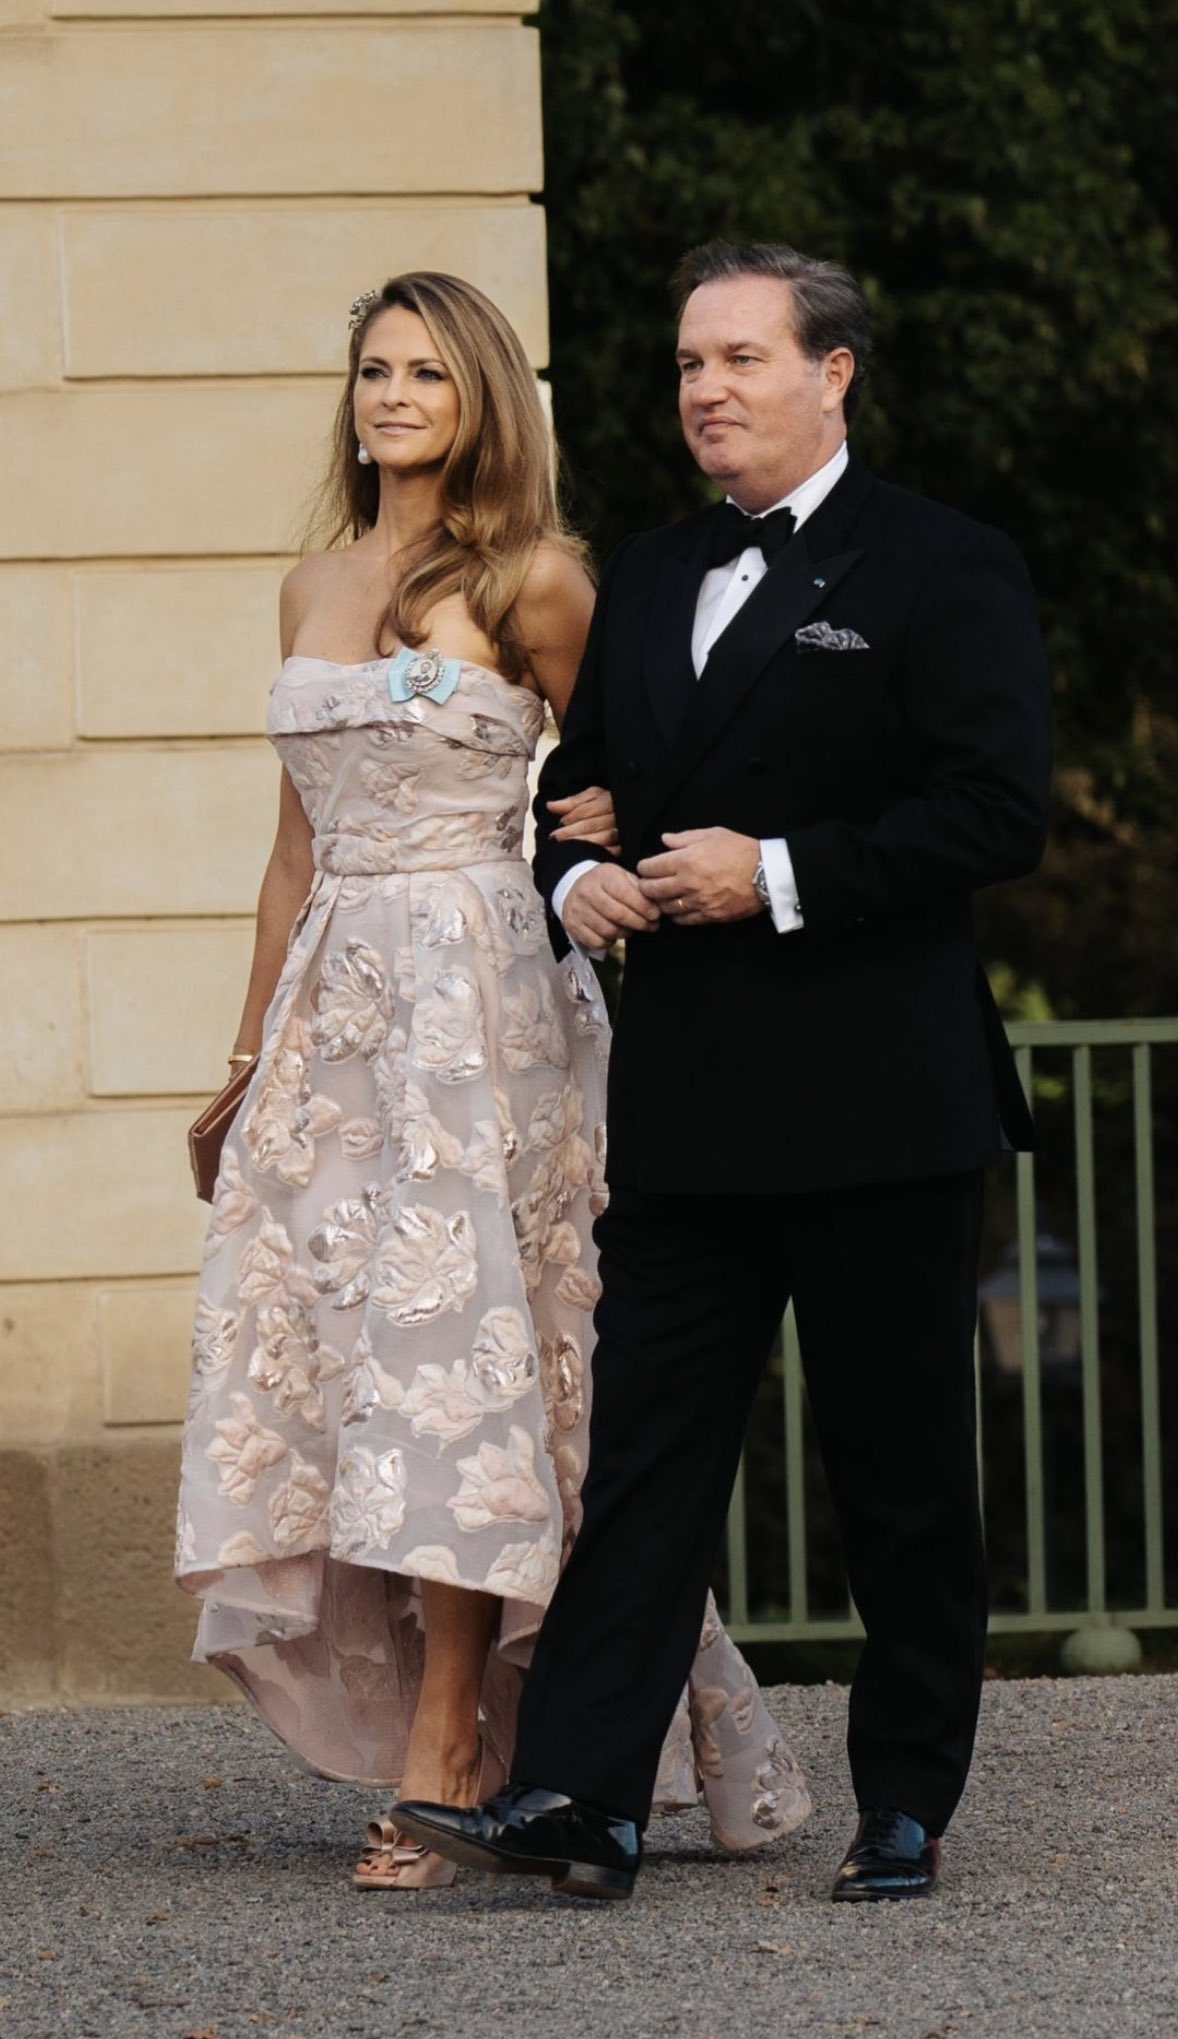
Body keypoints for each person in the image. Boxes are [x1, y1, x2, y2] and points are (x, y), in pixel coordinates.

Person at [391, 240, 1053, 1903]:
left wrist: (773, 872)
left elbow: (996, 812)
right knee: (642, 1466)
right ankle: (581, 1800)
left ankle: (904, 1804)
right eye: (690, 362)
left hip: (881, 1101)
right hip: (687, 1102)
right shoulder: (652, 570)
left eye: (742, 358)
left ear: (833, 373)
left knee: (899, 1472)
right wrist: (571, 884)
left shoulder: (941, 564)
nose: (705, 389)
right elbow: (578, 789)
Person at [175, 269, 810, 1894]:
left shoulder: (538, 578)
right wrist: (244, 1064)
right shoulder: (311, 581)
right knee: (351, 1369)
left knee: (457, 1362)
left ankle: (452, 1738)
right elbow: (292, 848)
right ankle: (500, 1726)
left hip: (481, 1005)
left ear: (480, 401)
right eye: (374, 372)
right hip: (337, 1016)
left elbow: (626, 771)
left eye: (426, 375)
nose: (392, 398)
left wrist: (602, 844)